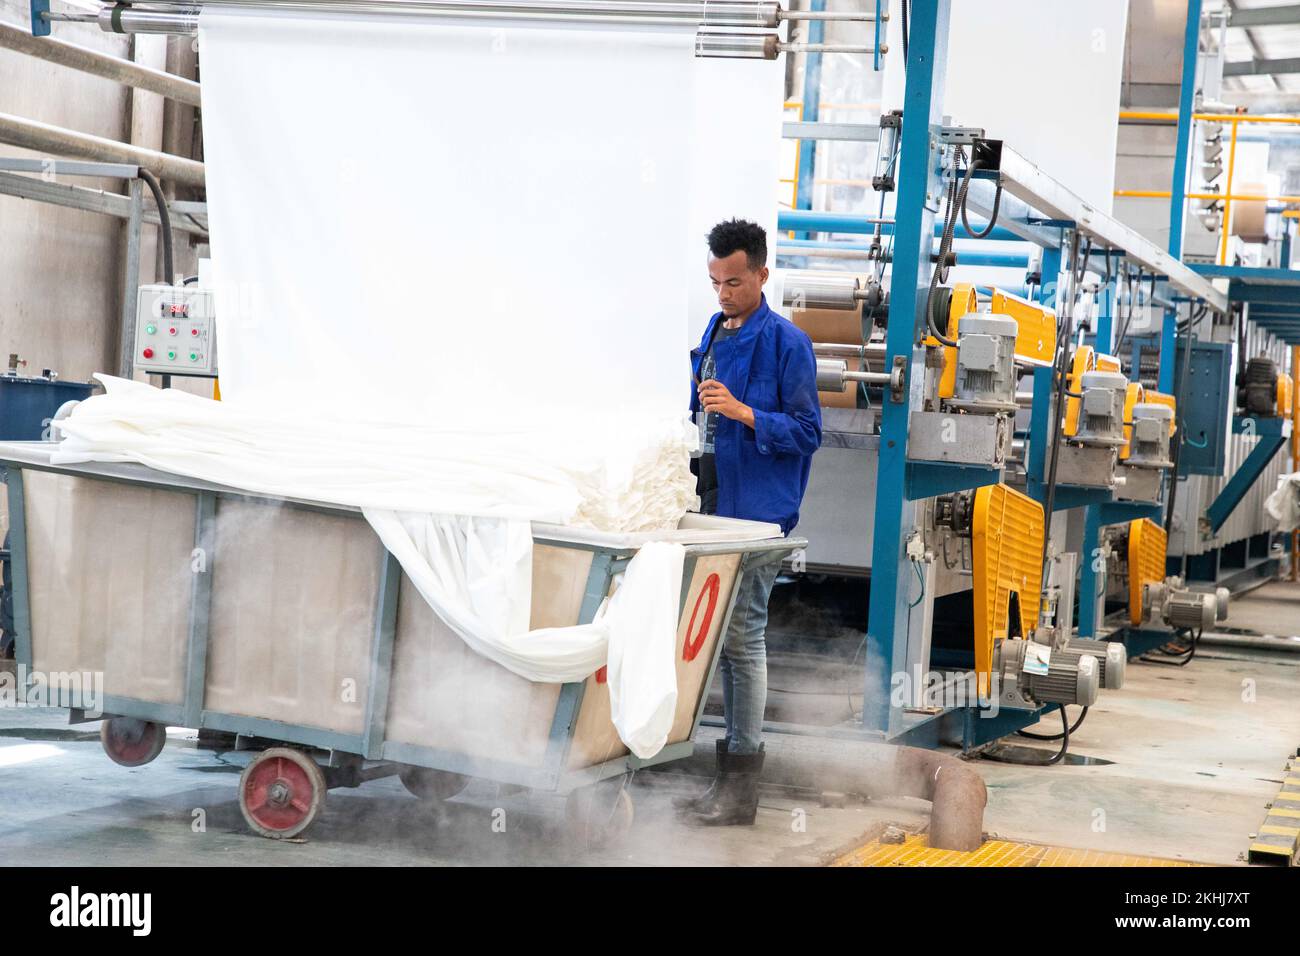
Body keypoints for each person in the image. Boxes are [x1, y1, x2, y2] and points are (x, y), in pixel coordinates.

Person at [678, 218, 821, 826]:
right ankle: (728, 779)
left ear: (762, 274)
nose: (723, 294)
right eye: (715, 282)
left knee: (743, 636)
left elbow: (810, 433)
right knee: (719, 640)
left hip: (761, 516)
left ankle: (741, 785)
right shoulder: (714, 331)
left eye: (734, 282)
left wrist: (742, 412)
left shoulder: (789, 344)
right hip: (713, 508)